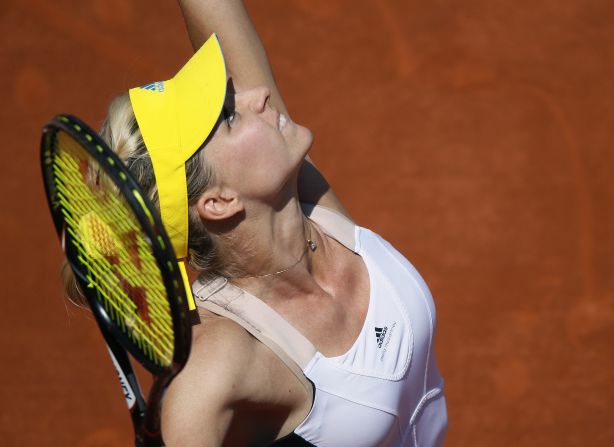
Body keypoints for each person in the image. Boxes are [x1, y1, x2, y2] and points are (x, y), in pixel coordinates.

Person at [62, 0, 448, 445]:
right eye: (229, 115)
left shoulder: (309, 206)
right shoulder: (221, 356)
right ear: (219, 201)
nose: (257, 95)